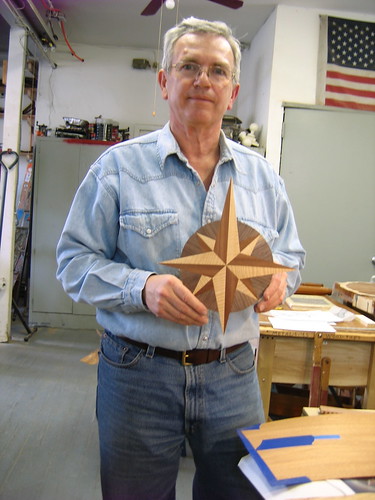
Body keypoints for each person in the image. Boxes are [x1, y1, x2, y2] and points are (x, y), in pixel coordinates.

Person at [56, 17, 305, 500]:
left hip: (234, 374)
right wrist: (142, 288)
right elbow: (72, 261)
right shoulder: (118, 168)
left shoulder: (263, 179)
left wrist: (283, 280)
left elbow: (292, 253)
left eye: (218, 70)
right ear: (165, 81)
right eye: (189, 66)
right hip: (138, 374)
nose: (203, 80)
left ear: (232, 92)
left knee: (238, 493)